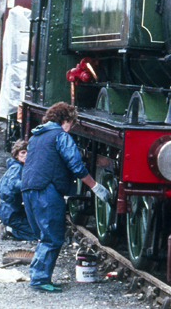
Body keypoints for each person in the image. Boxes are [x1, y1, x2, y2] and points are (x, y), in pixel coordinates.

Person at [21, 102, 111, 293]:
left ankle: (38, 276)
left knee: (43, 236)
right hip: (47, 190)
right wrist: (95, 187)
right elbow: (76, 166)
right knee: (52, 237)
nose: (72, 127)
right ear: (66, 120)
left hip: (28, 188)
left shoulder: (36, 136)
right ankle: (39, 280)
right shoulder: (61, 136)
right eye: (72, 123)